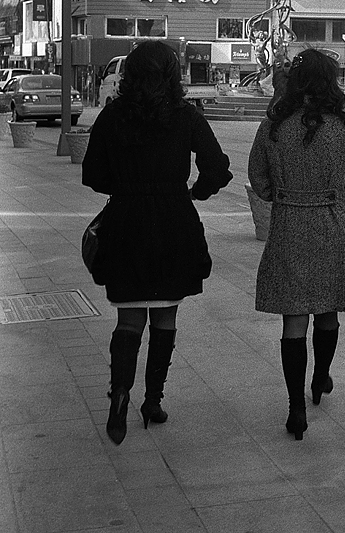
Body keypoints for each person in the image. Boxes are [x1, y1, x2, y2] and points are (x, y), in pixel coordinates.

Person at [82, 40, 232, 445]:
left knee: (129, 318)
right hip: (173, 222)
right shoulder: (185, 116)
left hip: (125, 223)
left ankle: (119, 395)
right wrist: (195, 193)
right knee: (165, 316)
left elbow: (92, 174)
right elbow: (217, 167)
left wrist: (126, 187)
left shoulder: (113, 115)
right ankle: (153, 400)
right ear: (171, 74)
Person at [248, 49, 345, 441]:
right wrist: (331, 189)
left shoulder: (273, 125)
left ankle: (295, 407)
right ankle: (321, 377)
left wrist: (286, 194)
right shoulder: (343, 126)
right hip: (332, 225)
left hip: (289, 225)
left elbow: (258, 180)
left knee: (294, 318)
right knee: (328, 310)